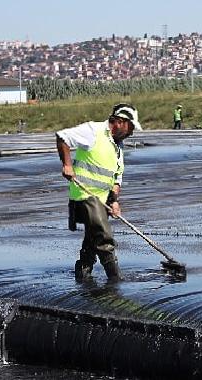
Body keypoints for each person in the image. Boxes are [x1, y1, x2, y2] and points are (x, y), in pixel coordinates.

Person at [55, 103, 142, 282]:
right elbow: (62, 137)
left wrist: (114, 201)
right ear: (119, 122)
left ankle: (83, 273)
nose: (131, 132)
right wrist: (67, 164)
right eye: (131, 127)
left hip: (102, 200)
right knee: (103, 237)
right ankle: (115, 279)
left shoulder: (118, 146)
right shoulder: (93, 131)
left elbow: (117, 176)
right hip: (84, 195)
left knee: (91, 239)